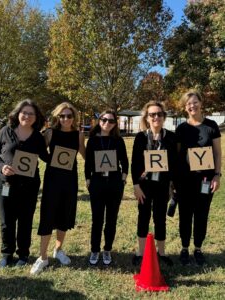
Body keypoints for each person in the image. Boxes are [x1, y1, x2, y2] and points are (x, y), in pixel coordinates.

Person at [0, 99, 48, 267]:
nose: (27, 116)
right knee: (6, 221)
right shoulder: (6, 131)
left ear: (36, 117)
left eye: (31, 114)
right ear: (17, 114)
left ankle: (23, 255)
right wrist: (2, 167)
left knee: (25, 221)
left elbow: (46, 157)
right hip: (5, 185)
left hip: (29, 187)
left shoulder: (38, 137)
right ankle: (6, 254)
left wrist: (60, 144)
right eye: (24, 113)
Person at [30, 102, 85, 275]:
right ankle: (43, 257)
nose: (66, 119)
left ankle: (58, 250)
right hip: (52, 180)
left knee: (65, 215)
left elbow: (85, 155)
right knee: (47, 215)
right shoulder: (50, 133)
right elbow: (41, 152)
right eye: (62, 116)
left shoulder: (79, 135)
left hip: (70, 180)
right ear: (57, 117)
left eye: (69, 116)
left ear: (74, 117)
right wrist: (53, 160)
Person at [176, 90, 222, 266]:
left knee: (202, 214)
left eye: (195, 102)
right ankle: (185, 248)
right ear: (185, 107)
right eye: (189, 104)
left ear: (201, 103)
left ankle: (198, 248)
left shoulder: (211, 126)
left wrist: (217, 175)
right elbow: (178, 155)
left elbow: (217, 153)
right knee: (185, 215)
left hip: (206, 181)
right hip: (184, 181)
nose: (192, 106)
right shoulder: (181, 128)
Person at [131, 101, 177, 266]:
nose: (156, 117)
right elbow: (135, 164)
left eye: (159, 114)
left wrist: (173, 186)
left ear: (164, 117)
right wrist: (136, 185)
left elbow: (175, 163)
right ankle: (141, 252)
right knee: (143, 216)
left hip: (162, 186)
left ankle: (162, 252)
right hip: (145, 186)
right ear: (147, 117)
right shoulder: (141, 137)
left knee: (160, 218)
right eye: (152, 114)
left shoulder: (171, 137)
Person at [85, 110, 128, 266]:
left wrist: (123, 179)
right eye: (104, 119)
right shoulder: (92, 141)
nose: (107, 123)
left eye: (111, 121)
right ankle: (95, 249)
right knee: (97, 219)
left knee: (111, 219)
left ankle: (107, 249)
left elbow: (125, 162)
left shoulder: (118, 141)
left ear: (115, 124)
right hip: (97, 183)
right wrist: (88, 179)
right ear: (99, 120)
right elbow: (88, 162)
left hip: (114, 183)